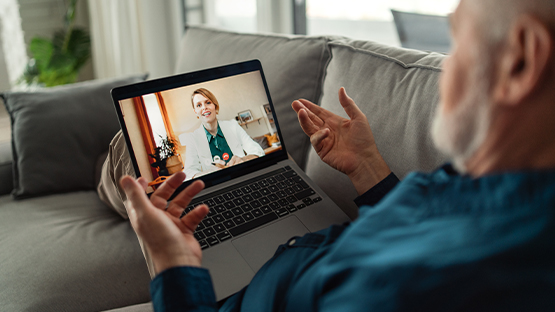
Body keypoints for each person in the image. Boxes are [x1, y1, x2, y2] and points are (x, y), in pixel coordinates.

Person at [119, 0, 555, 310]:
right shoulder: (483, 184)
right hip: (262, 230)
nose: (445, 71)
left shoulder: (416, 285)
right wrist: (367, 166)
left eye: (458, 40)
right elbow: (407, 229)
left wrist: (171, 265)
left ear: (521, 60)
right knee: (131, 166)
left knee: (125, 175)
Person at [182, 88, 265, 179]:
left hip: (243, 177)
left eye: (208, 102)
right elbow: (189, 173)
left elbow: (258, 151)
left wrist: (243, 159)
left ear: (215, 105)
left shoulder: (233, 126)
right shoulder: (193, 139)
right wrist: (209, 173)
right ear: (195, 112)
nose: (204, 107)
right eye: (198, 105)